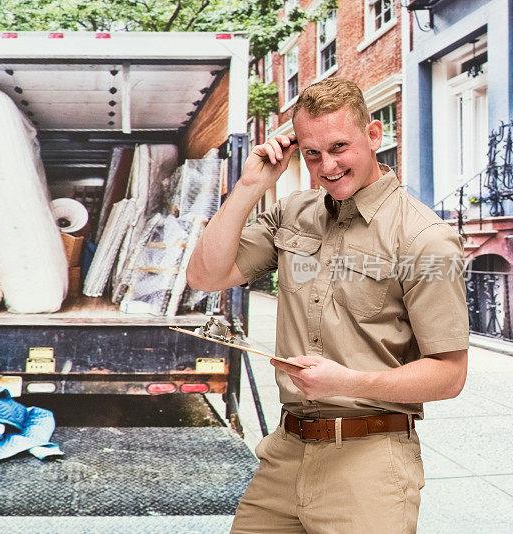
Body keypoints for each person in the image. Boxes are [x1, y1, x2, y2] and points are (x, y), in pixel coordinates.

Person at [186, 77, 469, 533]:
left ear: (374, 136)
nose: (327, 166)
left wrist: (348, 381)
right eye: (312, 153)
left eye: (340, 147)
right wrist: (250, 185)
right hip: (285, 453)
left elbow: (450, 373)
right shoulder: (292, 213)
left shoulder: (425, 238)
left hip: (369, 463)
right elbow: (205, 275)